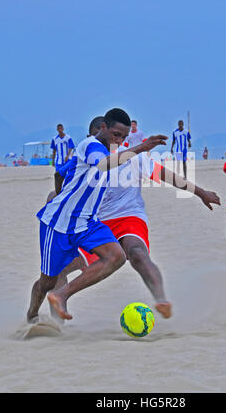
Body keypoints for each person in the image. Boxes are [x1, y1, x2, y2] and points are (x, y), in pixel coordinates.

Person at [27, 108, 168, 323]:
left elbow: (65, 173)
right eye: (115, 135)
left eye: (123, 137)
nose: (119, 140)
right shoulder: (90, 145)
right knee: (47, 281)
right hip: (58, 224)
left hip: (87, 222)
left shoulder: (113, 152)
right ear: (103, 128)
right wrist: (142, 147)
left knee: (117, 256)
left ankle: (62, 295)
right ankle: (32, 315)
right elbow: (102, 165)